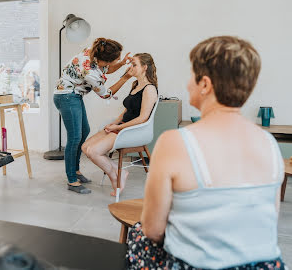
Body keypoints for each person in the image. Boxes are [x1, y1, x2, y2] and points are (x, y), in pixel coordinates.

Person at [126, 36, 285, 269]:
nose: (188, 82)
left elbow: (153, 229)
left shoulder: (175, 142)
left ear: (205, 85)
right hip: (267, 264)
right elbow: (269, 218)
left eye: (192, 75)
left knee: (139, 233)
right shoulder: (269, 143)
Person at [54, 37, 132, 194]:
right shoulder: (90, 72)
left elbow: (106, 68)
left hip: (73, 95)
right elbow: (106, 94)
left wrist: (122, 63)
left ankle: (75, 171)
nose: (116, 61)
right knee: (75, 138)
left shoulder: (92, 53)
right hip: (67, 97)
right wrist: (125, 77)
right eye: (115, 59)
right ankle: (72, 180)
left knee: (84, 131)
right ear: (106, 59)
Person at [82, 53, 158, 197]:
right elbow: (126, 111)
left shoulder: (149, 89)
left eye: (134, 64)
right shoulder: (136, 85)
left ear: (144, 67)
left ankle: (115, 176)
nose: (131, 67)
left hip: (132, 130)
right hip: (122, 126)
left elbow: (142, 118)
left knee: (93, 151)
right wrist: (115, 123)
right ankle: (119, 171)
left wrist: (117, 128)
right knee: (85, 147)